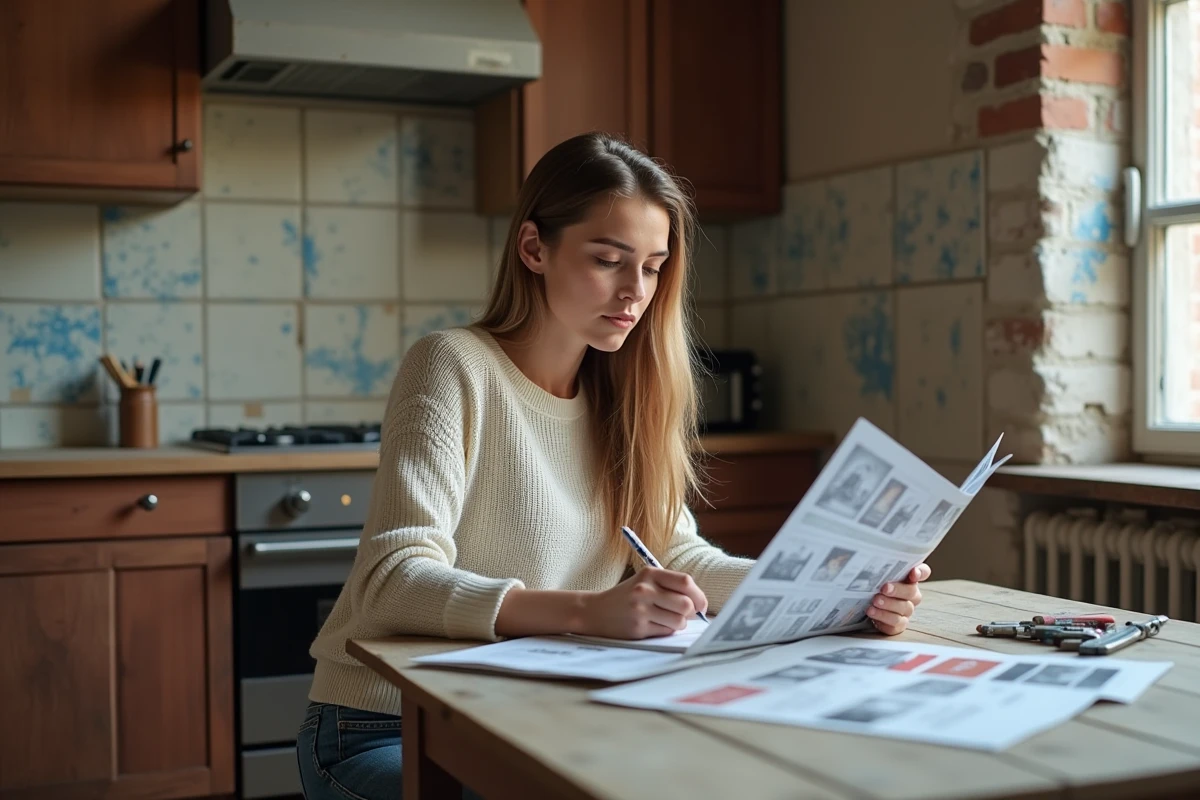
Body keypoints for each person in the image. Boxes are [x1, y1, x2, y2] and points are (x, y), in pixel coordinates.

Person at [295, 132, 931, 800]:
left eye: (654, 267)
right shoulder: (452, 366)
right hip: (383, 726)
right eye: (608, 260)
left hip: (525, 720)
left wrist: (839, 592)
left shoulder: (625, 399)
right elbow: (391, 582)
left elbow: (680, 558)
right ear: (534, 249)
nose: (636, 291)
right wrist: (585, 612)